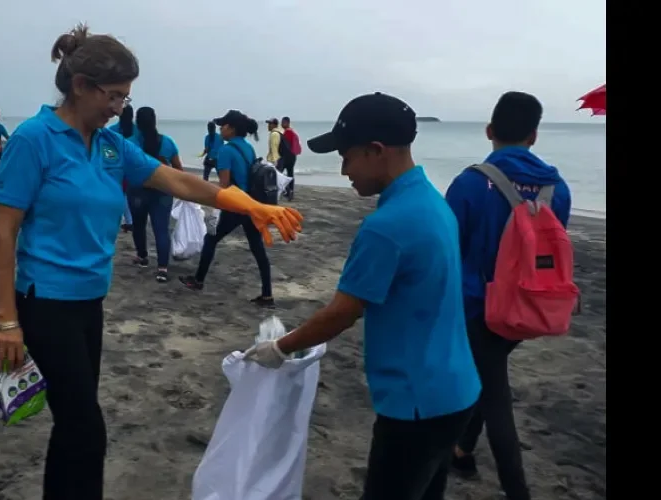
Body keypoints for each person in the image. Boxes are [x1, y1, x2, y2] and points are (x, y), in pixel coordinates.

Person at [0, 24, 302, 500]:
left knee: (75, 423)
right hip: (43, 302)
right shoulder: (35, 139)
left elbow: (177, 182)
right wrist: (7, 321)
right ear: (80, 86)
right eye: (113, 97)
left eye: (126, 98)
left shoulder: (111, 144)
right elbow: (3, 230)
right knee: (86, 427)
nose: (119, 109)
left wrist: (249, 205)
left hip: (89, 301)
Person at [244, 92, 481, 500]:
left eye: (347, 156)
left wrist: (278, 349)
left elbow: (342, 313)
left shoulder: (387, 226)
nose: (342, 170)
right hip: (458, 391)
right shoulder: (433, 203)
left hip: (415, 403)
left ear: (376, 151)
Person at [445, 91, 571, 500]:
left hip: (478, 308)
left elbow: (451, 250)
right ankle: (463, 449)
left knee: (496, 397)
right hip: (530, 305)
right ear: (534, 136)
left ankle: (517, 490)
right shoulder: (559, 189)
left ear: (489, 131)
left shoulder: (468, 183)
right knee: (490, 369)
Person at [179, 110, 276, 308]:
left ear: (231, 128)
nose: (221, 128)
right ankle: (267, 295)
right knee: (257, 249)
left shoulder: (225, 151)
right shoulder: (248, 148)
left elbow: (224, 186)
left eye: (223, 125)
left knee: (211, 238)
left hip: (236, 205)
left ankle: (198, 281)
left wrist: (213, 208)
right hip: (251, 204)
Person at [128, 106, 183, 282]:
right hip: (163, 192)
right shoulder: (167, 142)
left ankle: (142, 257)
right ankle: (162, 268)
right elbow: (179, 170)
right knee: (161, 229)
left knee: (138, 225)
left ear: (137, 122)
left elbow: (125, 170)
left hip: (138, 191)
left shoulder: (130, 143)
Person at [108, 104, 137, 231]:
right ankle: (130, 219)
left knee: (121, 194)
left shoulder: (112, 130)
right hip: (136, 166)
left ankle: (128, 220)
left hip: (118, 166)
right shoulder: (138, 131)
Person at [280, 116, 301, 200]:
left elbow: (285, 145)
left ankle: (287, 190)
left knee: (279, 173)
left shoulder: (287, 132)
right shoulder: (292, 131)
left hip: (287, 156)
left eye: (283, 122)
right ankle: (290, 191)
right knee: (290, 173)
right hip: (293, 156)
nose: (282, 124)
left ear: (287, 123)